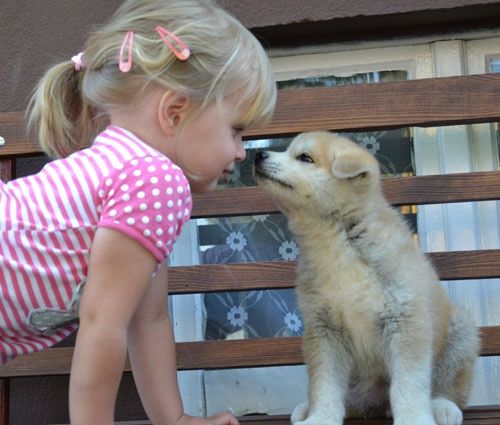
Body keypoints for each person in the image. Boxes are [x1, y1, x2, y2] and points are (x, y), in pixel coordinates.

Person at [0, 0, 276, 423]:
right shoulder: (155, 181)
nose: (241, 152)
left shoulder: (134, 176)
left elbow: (149, 319)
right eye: (237, 129)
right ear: (174, 111)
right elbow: (101, 325)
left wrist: (175, 420)